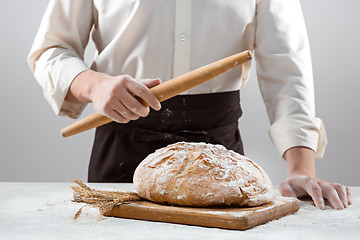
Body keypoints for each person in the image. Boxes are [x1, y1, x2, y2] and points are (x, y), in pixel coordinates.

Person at [28, 0, 351, 210]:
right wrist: (95, 84)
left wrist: (300, 169)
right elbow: (52, 49)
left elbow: (286, 68)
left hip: (220, 157)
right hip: (122, 142)